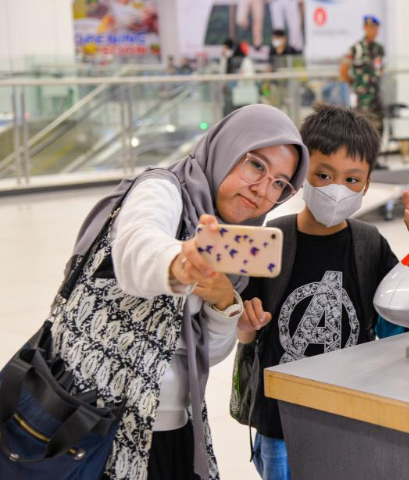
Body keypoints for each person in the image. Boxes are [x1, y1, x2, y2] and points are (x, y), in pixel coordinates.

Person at [47, 104, 309, 480]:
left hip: (172, 427)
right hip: (90, 420)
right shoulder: (164, 189)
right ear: (229, 147)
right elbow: (135, 249)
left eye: (280, 183)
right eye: (256, 164)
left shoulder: (232, 243)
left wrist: (222, 302)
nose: (263, 189)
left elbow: (208, 355)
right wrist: (180, 262)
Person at [236, 105, 409, 480]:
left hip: (350, 411)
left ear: (366, 183)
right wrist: (246, 324)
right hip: (280, 417)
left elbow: (403, 321)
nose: (336, 189)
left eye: (351, 179)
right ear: (302, 175)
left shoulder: (369, 245)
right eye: (324, 175)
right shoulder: (271, 239)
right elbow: (244, 327)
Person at [341, 15, 386, 135]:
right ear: (365, 28)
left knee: (379, 130)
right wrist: (352, 82)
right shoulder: (357, 48)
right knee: (362, 131)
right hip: (362, 100)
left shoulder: (379, 49)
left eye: (375, 28)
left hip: (376, 98)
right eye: (370, 27)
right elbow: (344, 68)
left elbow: (380, 69)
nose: (373, 30)